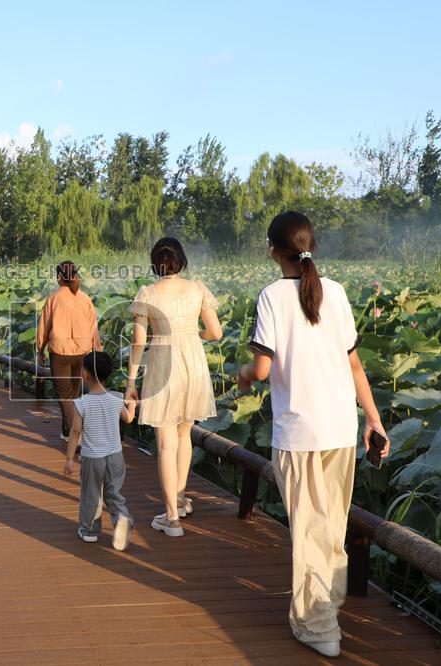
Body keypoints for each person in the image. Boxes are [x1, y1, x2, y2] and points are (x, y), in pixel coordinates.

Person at [237, 211, 390, 659]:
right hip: (340, 428)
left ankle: (319, 626)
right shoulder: (337, 293)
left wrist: (244, 374)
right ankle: (325, 611)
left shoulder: (271, 297)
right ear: (311, 246)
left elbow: (263, 368)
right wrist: (373, 420)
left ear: (272, 251)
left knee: (308, 529)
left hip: (300, 431)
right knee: (328, 527)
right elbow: (354, 364)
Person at [126, 238, 222, 538]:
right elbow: (215, 332)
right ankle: (179, 501)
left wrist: (130, 382)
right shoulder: (198, 289)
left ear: (156, 263)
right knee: (184, 434)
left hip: (163, 366)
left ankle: (171, 518)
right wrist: (194, 334)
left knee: (166, 443)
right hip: (193, 364)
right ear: (181, 260)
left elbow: (140, 341)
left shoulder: (148, 293)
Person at [63, 350, 137, 550]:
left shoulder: (82, 403)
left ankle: (89, 531)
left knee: (91, 494)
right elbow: (128, 418)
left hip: (92, 458)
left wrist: (69, 458)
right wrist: (133, 405)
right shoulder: (115, 398)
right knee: (113, 493)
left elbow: (76, 431)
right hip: (115, 456)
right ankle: (121, 518)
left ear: (85, 375)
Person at [36, 261, 102, 443]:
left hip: (60, 353)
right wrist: (97, 349)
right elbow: (93, 328)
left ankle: (78, 436)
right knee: (75, 395)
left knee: (65, 397)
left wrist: (40, 350)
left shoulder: (53, 299)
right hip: (82, 352)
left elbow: (44, 328)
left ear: (59, 277)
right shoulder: (85, 299)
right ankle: (67, 431)